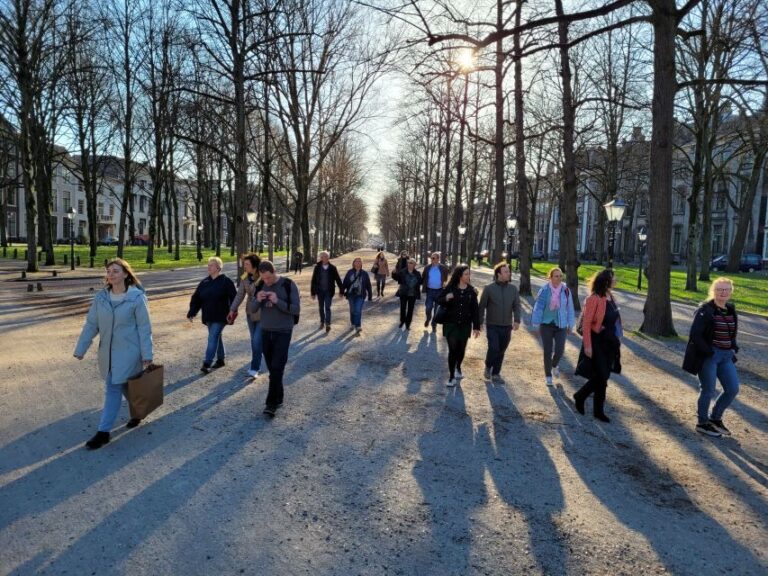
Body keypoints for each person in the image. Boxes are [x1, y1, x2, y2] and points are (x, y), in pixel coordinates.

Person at [74, 258, 153, 450]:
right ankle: (137, 413)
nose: (111, 274)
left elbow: (144, 328)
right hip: (107, 353)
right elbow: (92, 324)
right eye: (109, 271)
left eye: (115, 271)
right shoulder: (101, 298)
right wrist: (81, 348)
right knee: (125, 384)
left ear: (126, 274)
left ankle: (103, 432)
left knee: (113, 386)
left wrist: (147, 354)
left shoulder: (136, 298)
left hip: (129, 352)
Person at [682, 277, 740, 437]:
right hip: (710, 356)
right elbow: (695, 334)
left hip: (726, 356)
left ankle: (715, 418)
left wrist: (733, 347)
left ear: (731, 292)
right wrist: (709, 352)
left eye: (726, 289)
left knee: (732, 389)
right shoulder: (705, 310)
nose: (723, 292)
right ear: (713, 291)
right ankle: (702, 423)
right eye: (719, 289)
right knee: (708, 390)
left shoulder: (730, 309)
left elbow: (731, 331)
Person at [573, 269, 622, 423]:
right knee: (601, 375)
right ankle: (580, 396)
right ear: (606, 281)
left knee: (604, 376)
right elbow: (587, 324)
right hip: (596, 342)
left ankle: (598, 411)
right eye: (613, 278)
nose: (615, 281)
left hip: (609, 342)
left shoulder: (611, 297)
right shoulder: (593, 298)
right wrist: (587, 346)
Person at [253, 260, 300, 417]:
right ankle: (279, 397)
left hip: (283, 331)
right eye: (263, 278)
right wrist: (257, 299)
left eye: (268, 278)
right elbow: (252, 309)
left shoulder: (288, 284)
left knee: (277, 367)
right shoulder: (260, 285)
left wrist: (277, 301)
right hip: (265, 330)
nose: (266, 281)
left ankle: (270, 404)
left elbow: (296, 309)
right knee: (273, 369)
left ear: (274, 272)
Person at [187, 256, 237, 374]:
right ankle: (220, 359)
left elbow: (235, 298)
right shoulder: (205, 282)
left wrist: (232, 311)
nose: (208, 267)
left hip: (221, 316)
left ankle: (207, 363)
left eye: (211, 265)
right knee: (216, 336)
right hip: (208, 316)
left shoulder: (226, 281)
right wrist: (192, 312)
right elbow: (196, 298)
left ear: (218, 268)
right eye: (208, 265)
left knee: (213, 336)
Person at [531, 267, 576, 386]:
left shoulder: (566, 290)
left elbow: (570, 308)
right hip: (546, 324)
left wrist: (570, 325)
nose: (559, 278)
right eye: (556, 276)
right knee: (547, 350)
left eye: (561, 276)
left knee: (560, 350)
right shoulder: (544, 290)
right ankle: (548, 375)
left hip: (561, 324)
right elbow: (538, 307)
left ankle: (554, 365)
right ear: (550, 277)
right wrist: (536, 323)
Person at [478, 262, 521, 384]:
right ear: (499, 274)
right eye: (506, 272)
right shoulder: (489, 288)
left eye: (509, 271)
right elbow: (481, 307)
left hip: (507, 326)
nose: (509, 274)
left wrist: (517, 320)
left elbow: (517, 306)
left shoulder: (513, 289)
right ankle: (488, 366)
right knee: (494, 347)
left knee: (502, 349)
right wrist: (479, 322)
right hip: (492, 325)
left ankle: (496, 373)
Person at [438, 265, 480, 387]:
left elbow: (475, 310)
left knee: (461, 350)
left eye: (469, 274)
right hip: (451, 324)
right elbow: (438, 299)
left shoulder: (472, 291)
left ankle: (458, 367)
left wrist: (476, 326)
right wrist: (446, 297)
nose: (468, 276)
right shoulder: (450, 288)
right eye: (466, 274)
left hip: (465, 325)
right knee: (452, 350)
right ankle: (451, 377)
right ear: (460, 275)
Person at [227, 253, 265, 378]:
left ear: (254, 266)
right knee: (254, 340)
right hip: (250, 313)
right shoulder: (244, 277)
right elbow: (240, 295)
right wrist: (232, 309)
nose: (245, 267)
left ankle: (254, 369)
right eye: (244, 264)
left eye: (247, 264)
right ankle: (261, 356)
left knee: (256, 341)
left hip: (262, 313)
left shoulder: (263, 275)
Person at [310, 250, 344, 333]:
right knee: (321, 307)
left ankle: (328, 323)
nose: (324, 258)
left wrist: (341, 291)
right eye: (322, 257)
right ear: (320, 258)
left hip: (329, 291)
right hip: (319, 291)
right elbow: (313, 280)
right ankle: (322, 321)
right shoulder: (317, 267)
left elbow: (338, 279)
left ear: (328, 257)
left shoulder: (332, 268)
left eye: (325, 257)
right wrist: (313, 293)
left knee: (327, 307)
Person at [341, 257, 373, 336]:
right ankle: (352, 323)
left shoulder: (364, 273)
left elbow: (368, 285)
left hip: (360, 295)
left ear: (361, 263)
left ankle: (358, 326)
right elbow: (345, 283)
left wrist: (370, 295)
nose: (358, 263)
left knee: (358, 310)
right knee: (352, 310)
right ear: (354, 263)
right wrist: (342, 291)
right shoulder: (350, 272)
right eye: (356, 261)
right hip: (351, 294)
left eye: (360, 261)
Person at [422, 252, 450, 332]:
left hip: (439, 291)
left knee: (436, 310)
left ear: (438, 259)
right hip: (430, 291)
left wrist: (444, 284)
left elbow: (445, 278)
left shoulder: (443, 268)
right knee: (428, 307)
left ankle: (434, 324)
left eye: (434, 258)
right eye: (431, 258)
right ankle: (428, 318)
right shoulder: (427, 267)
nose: (432, 260)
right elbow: (423, 276)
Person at [394, 258, 423, 329]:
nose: (409, 264)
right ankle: (402, 321)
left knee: (410, 309)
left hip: (412, 294)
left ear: (414, 265)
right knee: (403, 308)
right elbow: (397, 278)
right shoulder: (403, 272)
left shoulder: (417, 273)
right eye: (409, 263)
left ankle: (408, 324)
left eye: (411, 263)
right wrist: (394, 273)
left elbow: (421, 282)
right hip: (403, 293)